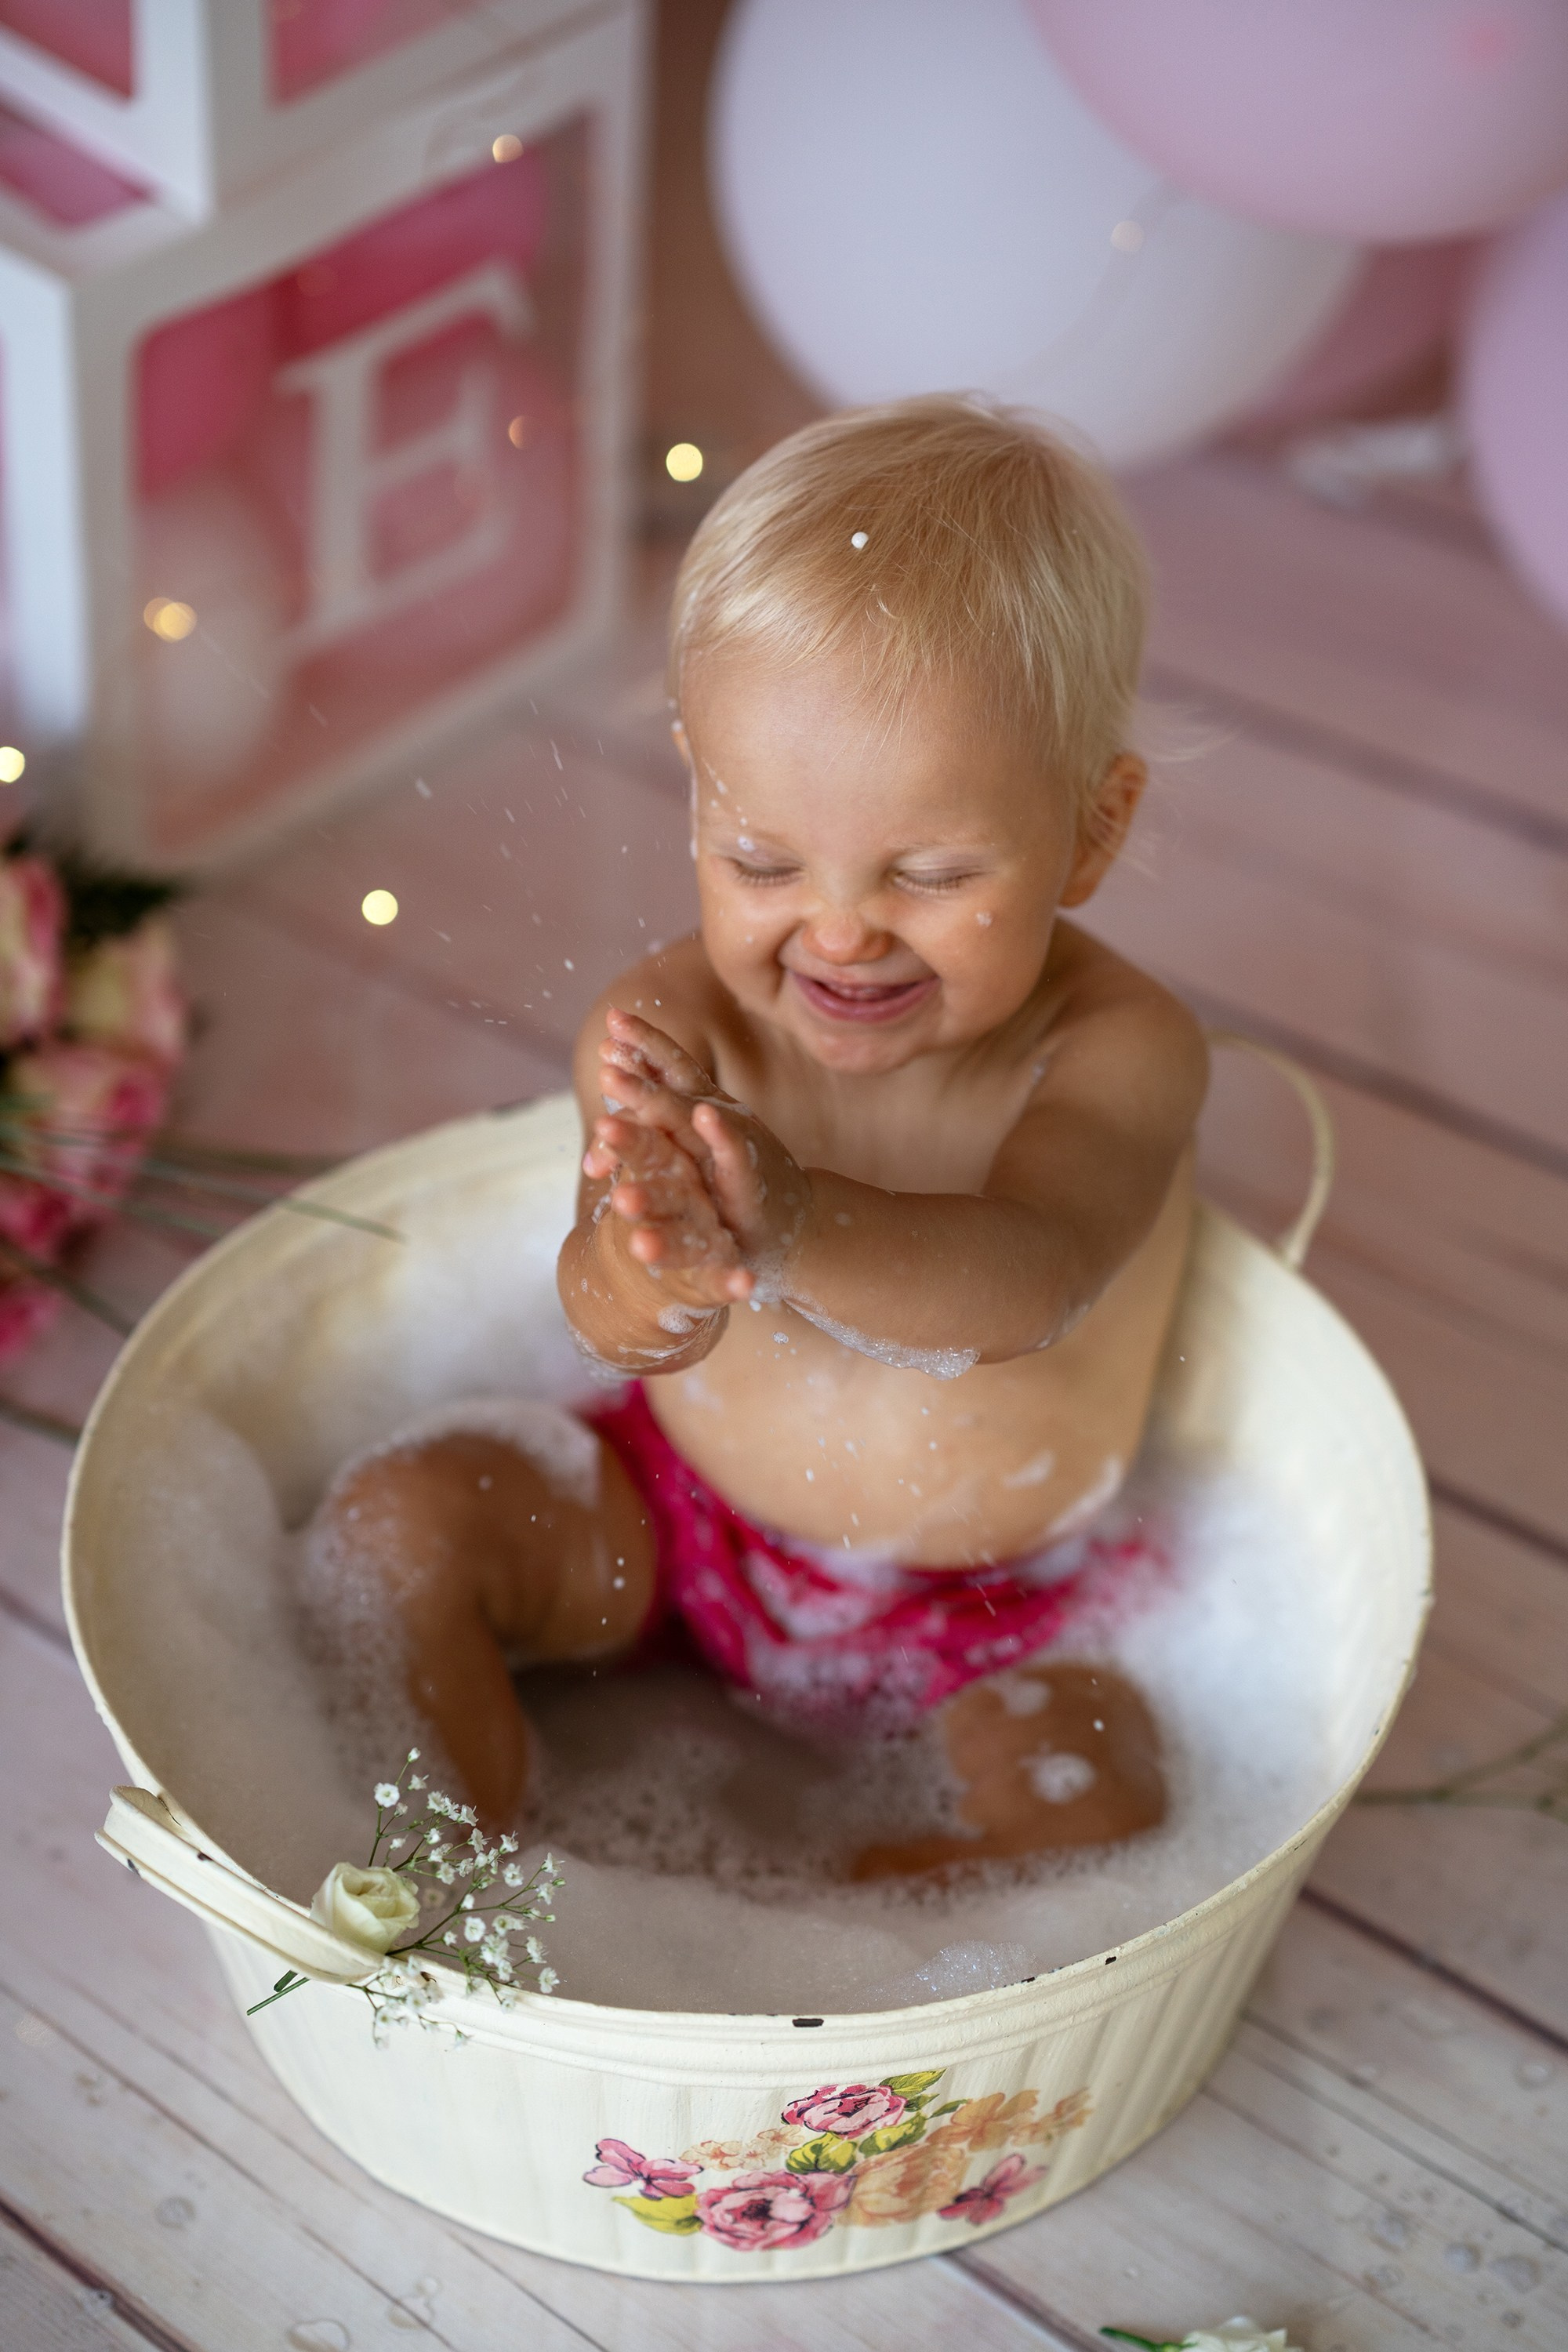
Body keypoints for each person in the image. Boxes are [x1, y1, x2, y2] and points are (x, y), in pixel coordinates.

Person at [308, 396, 1207, 1871]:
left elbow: (1030, 1277)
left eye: (931, 873)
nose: (840, 929)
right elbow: (607, 1318)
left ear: (1092, 828)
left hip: (1003, 1601)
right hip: (684, 1516)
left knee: (1096, 1809)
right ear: (697, 789)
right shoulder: (672, 1030)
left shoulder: (1119, 1048)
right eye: (762, 859)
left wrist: (790, 1227)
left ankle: (865, 1931)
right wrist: (646, 1267)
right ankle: (446, 1874)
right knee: (398, 1526)